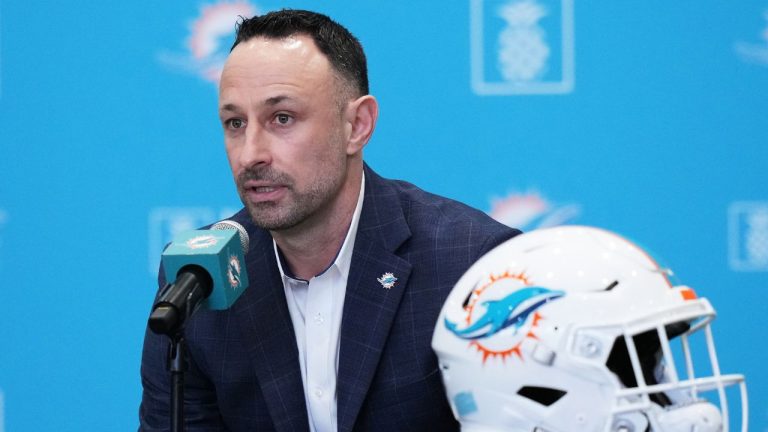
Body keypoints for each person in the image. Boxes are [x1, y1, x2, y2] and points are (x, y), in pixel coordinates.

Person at [140, 9, 520, 432]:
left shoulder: (472, 265)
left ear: (357, 126)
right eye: (235, 123)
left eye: (282, 118)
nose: (250, 154)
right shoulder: (201, 280)